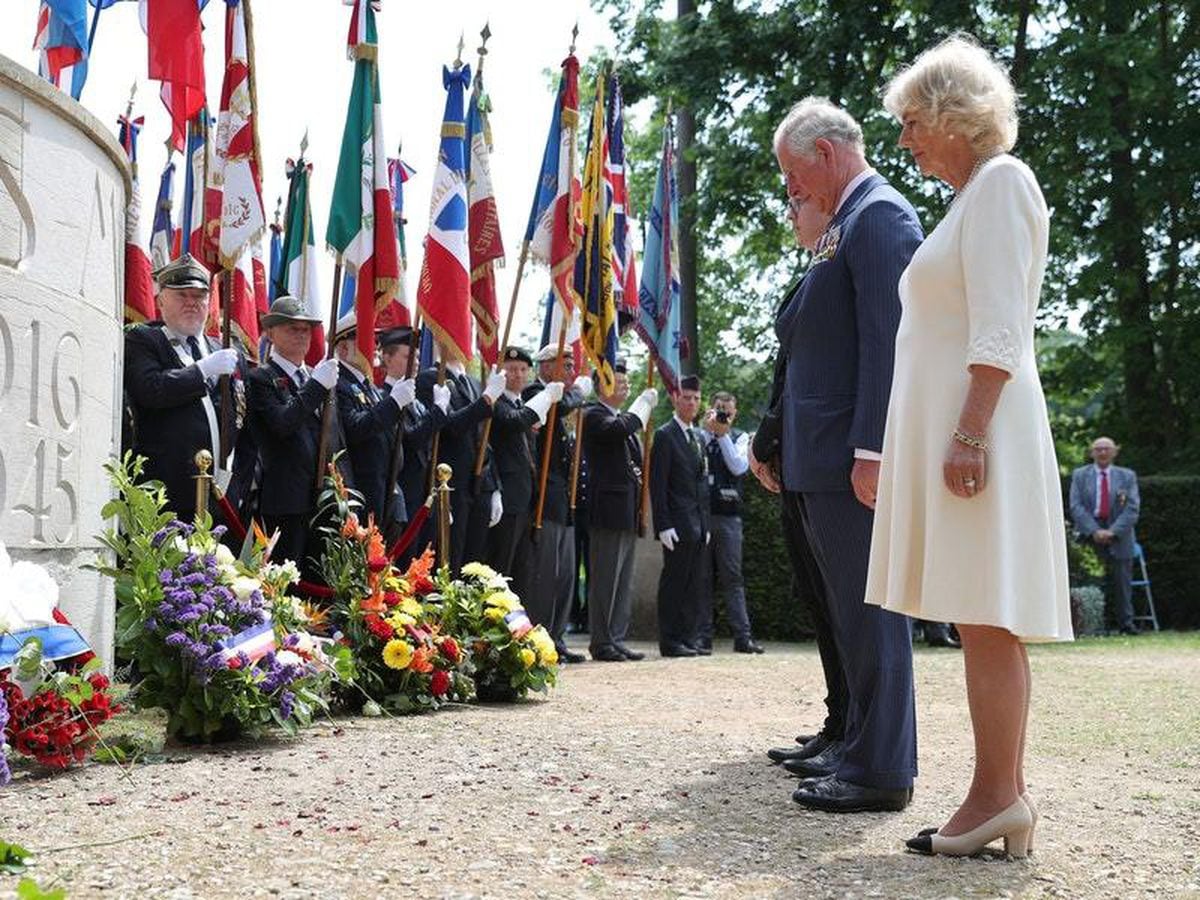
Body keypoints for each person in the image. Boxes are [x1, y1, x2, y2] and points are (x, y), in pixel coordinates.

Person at [868, 36, 1074, 857]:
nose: (907, 139)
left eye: (915, 121)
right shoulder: (971, 198)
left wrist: (966, 434)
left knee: (988, 614)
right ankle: (1001, 796)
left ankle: (998, 796)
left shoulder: (1000, 185)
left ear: (957, 115)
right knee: (976, 613)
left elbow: (999, 323)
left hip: (980, 436)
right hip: (969, 435)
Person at [772, 97, 922, 813]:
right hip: (826, 454)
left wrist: (877, 449)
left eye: (795, 175)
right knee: (851, 614)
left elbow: (887, 341)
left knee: (873, 613)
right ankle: (861, 749)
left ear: (826, 152)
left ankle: (883, 768)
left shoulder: (880, 216)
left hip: (852, 456)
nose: (794, 190)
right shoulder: (847, 223)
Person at [753, 204, 849, 771]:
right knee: (819, 600)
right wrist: (769, 441)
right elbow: (786, 374)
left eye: (799, 204)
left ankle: (849, 730)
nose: (792, 212)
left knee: (839, 605)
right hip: (796, 455)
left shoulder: (836, 268)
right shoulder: (814, 272)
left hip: (821, 457)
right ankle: (838, 721)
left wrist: (769, 437)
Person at [124, 254, 251, 524]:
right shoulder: (145, 339)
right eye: (182, 295)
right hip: (168, 495)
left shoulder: (227, 349)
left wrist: (241, 483)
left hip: (222, 494)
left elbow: (246, 424)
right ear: (161, 300)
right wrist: (202, 370)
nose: (192, 303)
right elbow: (150, 389)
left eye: (199, 296)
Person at [245, 296, 345, 576]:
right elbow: (282, 423)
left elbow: (337, 439)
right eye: (292, 329)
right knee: (284, 584)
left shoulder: (318, 376)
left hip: (322, 500)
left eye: (306, 330)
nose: (302, 336)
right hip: (284, 500)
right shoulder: (262, 377)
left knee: (320, 586)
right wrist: (315, 386)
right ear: (271, 333)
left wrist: (343, 490)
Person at [522, 346, 593, 664]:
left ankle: (557, 637)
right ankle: (540, 639)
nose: (569, 370)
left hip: (562, 498)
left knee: (565, 573)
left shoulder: (558, 395)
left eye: (571, 365)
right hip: (544, 499)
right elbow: (563, 404)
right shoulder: (537, 392)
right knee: (546, 574)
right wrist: (579, 390)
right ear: (546, 367)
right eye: (564, 365)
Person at [583, 361, 657, 662]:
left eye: (628, 382)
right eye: (620, 381)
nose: (626, 386)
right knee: (605, 578)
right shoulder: (594, 415)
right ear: (602, 385)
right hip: (608, 509)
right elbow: (622, 427)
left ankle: (616, 636)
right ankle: (601, 641)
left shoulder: (617, 418)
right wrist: (642, 405)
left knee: (622, 579)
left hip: (626, 509)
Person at [415, 347, 506, 573]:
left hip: (479, 487)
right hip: (449, 485)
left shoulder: (474, 383)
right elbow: (451, 427)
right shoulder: (430, 379)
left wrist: (495, 487)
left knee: (473, 566)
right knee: (450, 562)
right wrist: (486, 400)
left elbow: (485, 438)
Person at [332, 317, 417, 533]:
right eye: (366, 341)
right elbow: (356, 428)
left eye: (376, 342)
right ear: (342, 348)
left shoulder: (366, 385)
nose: (375, 348)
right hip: (363, 489)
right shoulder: (339, 384)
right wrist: (393, 403)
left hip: (386, 489)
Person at [485, 346, 562, 579]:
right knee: (500, 568)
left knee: (522, 570)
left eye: (522, 369)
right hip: (506, 498)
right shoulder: (496, 403)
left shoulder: (521, 406)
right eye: (511, 369)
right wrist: (546, 397)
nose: (517, 374)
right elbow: (514, 422)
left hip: (527, 498)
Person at [697, 391, 763, 654]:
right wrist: (707, 430)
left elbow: (738, 466)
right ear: (711, 411)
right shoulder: (700, 436)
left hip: (728, 517)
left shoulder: (740, 437)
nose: (723, 415)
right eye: (719, 410)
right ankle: (702, 636)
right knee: (702, 578)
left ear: (735, 414)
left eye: (727, 411)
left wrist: (722, 434)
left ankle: (742, 636)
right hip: (701, 515)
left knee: (732, 578)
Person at [650, 375, 711, 657]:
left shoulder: (697, 435)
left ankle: (688, 637)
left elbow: (701, 485)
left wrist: (706, 524)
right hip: (676, 523)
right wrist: (663, 524)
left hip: (697, 524)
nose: (691, 403)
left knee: (693, 584)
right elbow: (658, 484)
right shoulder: (665, 435)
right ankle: (670, 640)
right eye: (687, 397)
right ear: (676, 398)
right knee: (674, 583)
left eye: (696, 398)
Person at [378, 327, 449, 559]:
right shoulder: (384, 397)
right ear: (387, 358)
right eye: (408, 357)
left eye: (417, 357)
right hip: (401, 493)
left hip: (422, 493)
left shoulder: (415, 401)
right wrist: (438, 412)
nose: (416, 362)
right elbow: (410, 440)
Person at [1069, 437, 1140, 634]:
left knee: (1122, 582)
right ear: (1091, 452)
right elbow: (1076, 506)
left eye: (1106, 449)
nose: (1102, 452)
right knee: (1088, 580)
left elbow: (1132, 509)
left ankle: (1126, 624)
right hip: (1088, 536)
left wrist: (1112, 531)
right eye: (1098, 449)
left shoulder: (1127, 476)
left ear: (1115, 452)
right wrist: (1094, 531)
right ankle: (1089, 626)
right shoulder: (1079, 475)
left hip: (1120, 536)